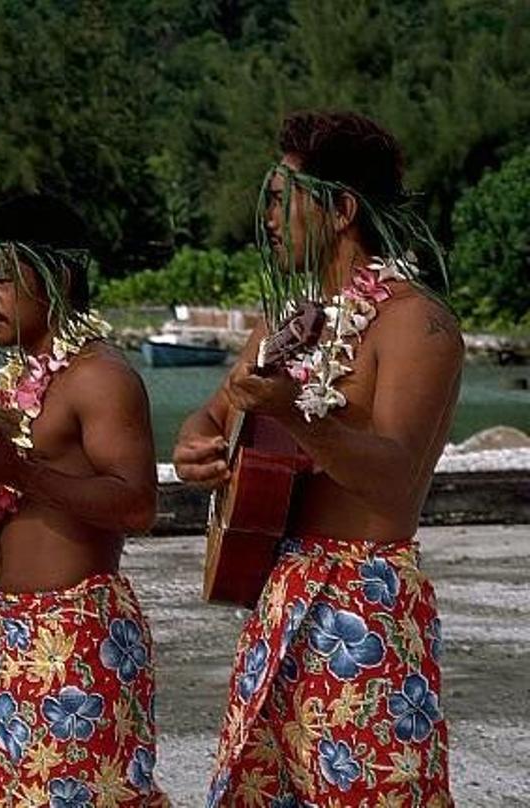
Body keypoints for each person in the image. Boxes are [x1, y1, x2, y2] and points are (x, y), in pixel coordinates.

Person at [173, 111, 459, 806]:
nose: (268, 216)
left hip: (368, 601)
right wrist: (193, 446)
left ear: (341, 211)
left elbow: (392, 477)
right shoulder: (287, 323)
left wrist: (291, 411)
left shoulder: (417, 324)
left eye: (281, 198)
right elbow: (216, 412)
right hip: (281, 594)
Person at [0, 195, 167, 806]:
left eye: (4, 278)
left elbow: (138, 505)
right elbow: (22, 493)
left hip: (77, 633)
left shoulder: (100, 377)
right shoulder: (17, 380)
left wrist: (18, 471)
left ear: (57, 278)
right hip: (9, 631)